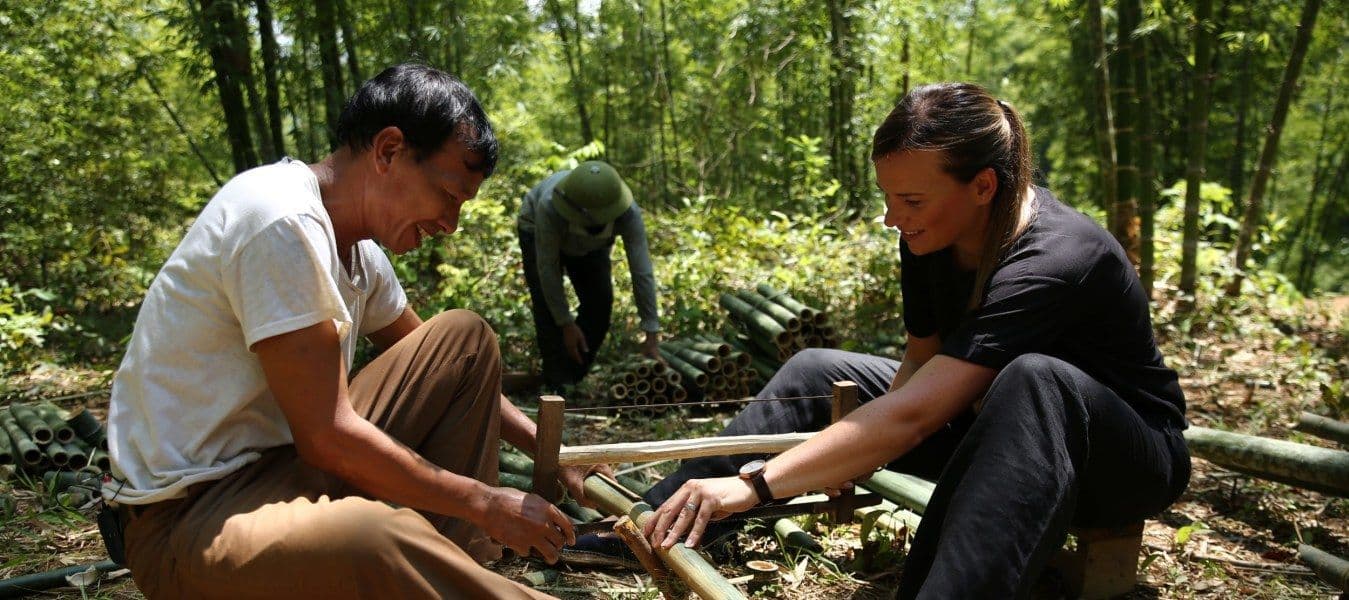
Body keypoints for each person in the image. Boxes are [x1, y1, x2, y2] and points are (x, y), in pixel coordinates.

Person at [580, 82, 1193, 598]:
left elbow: (920, 413)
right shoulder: (927, 236)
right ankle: (650, 528)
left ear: (983, 186)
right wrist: (853, 450)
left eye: (911, 199)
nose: (893, 216)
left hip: (1117, 457)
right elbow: (920, 365)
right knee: (817, 366)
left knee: (1036, 379)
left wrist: (757, 483)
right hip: (990, 427)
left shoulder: (1059, 256)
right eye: (888, 197)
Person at [101, 64, 596, 599]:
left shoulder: (360, 254)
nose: (450, 223)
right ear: (388, 151)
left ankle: (456, 566)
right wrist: (482, 500)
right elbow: (326, 438)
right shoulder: (279, 220)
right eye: (447, 195)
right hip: (190, 523)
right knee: (372, 537)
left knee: (463, 340)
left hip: (285, 472)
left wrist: (557, 453)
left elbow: (443, 364)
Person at [517, 161, 662, 389]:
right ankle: (556, 385)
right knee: (547, 308)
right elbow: (548, 269)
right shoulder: (549, 206)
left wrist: (651, 332)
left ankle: (572, 376)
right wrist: (565, 323)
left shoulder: (628, 213)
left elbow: (641, 270)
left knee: (600, 304)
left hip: (592, 249)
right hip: (536, 230)